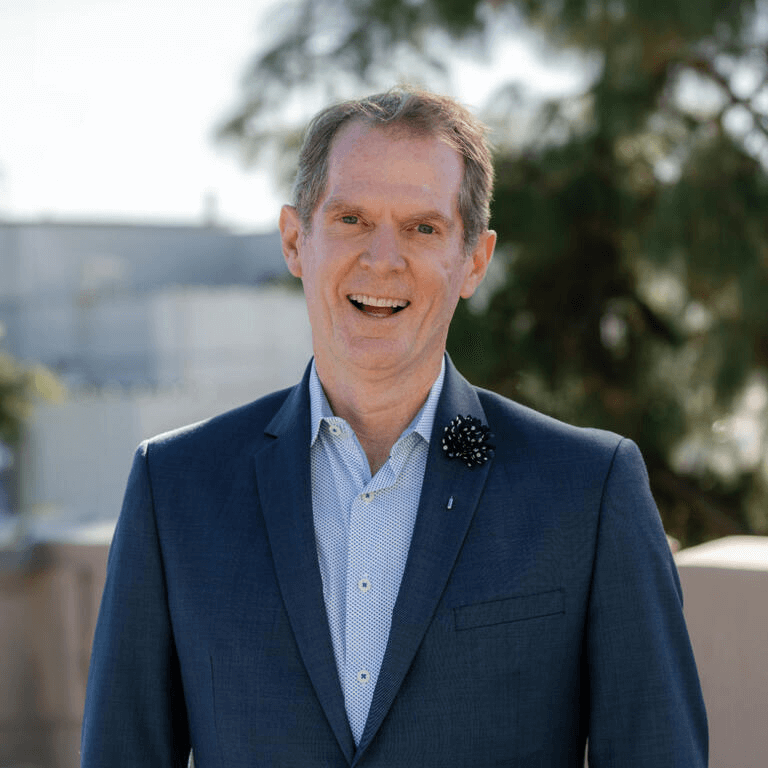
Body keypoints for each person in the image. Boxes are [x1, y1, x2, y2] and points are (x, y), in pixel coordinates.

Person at [81, 88, 707, 767]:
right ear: (296, 240)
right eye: (351, 219)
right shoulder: (174, 488)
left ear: (474, 260)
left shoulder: (589, 491)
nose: (383, 259)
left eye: (423, 228)